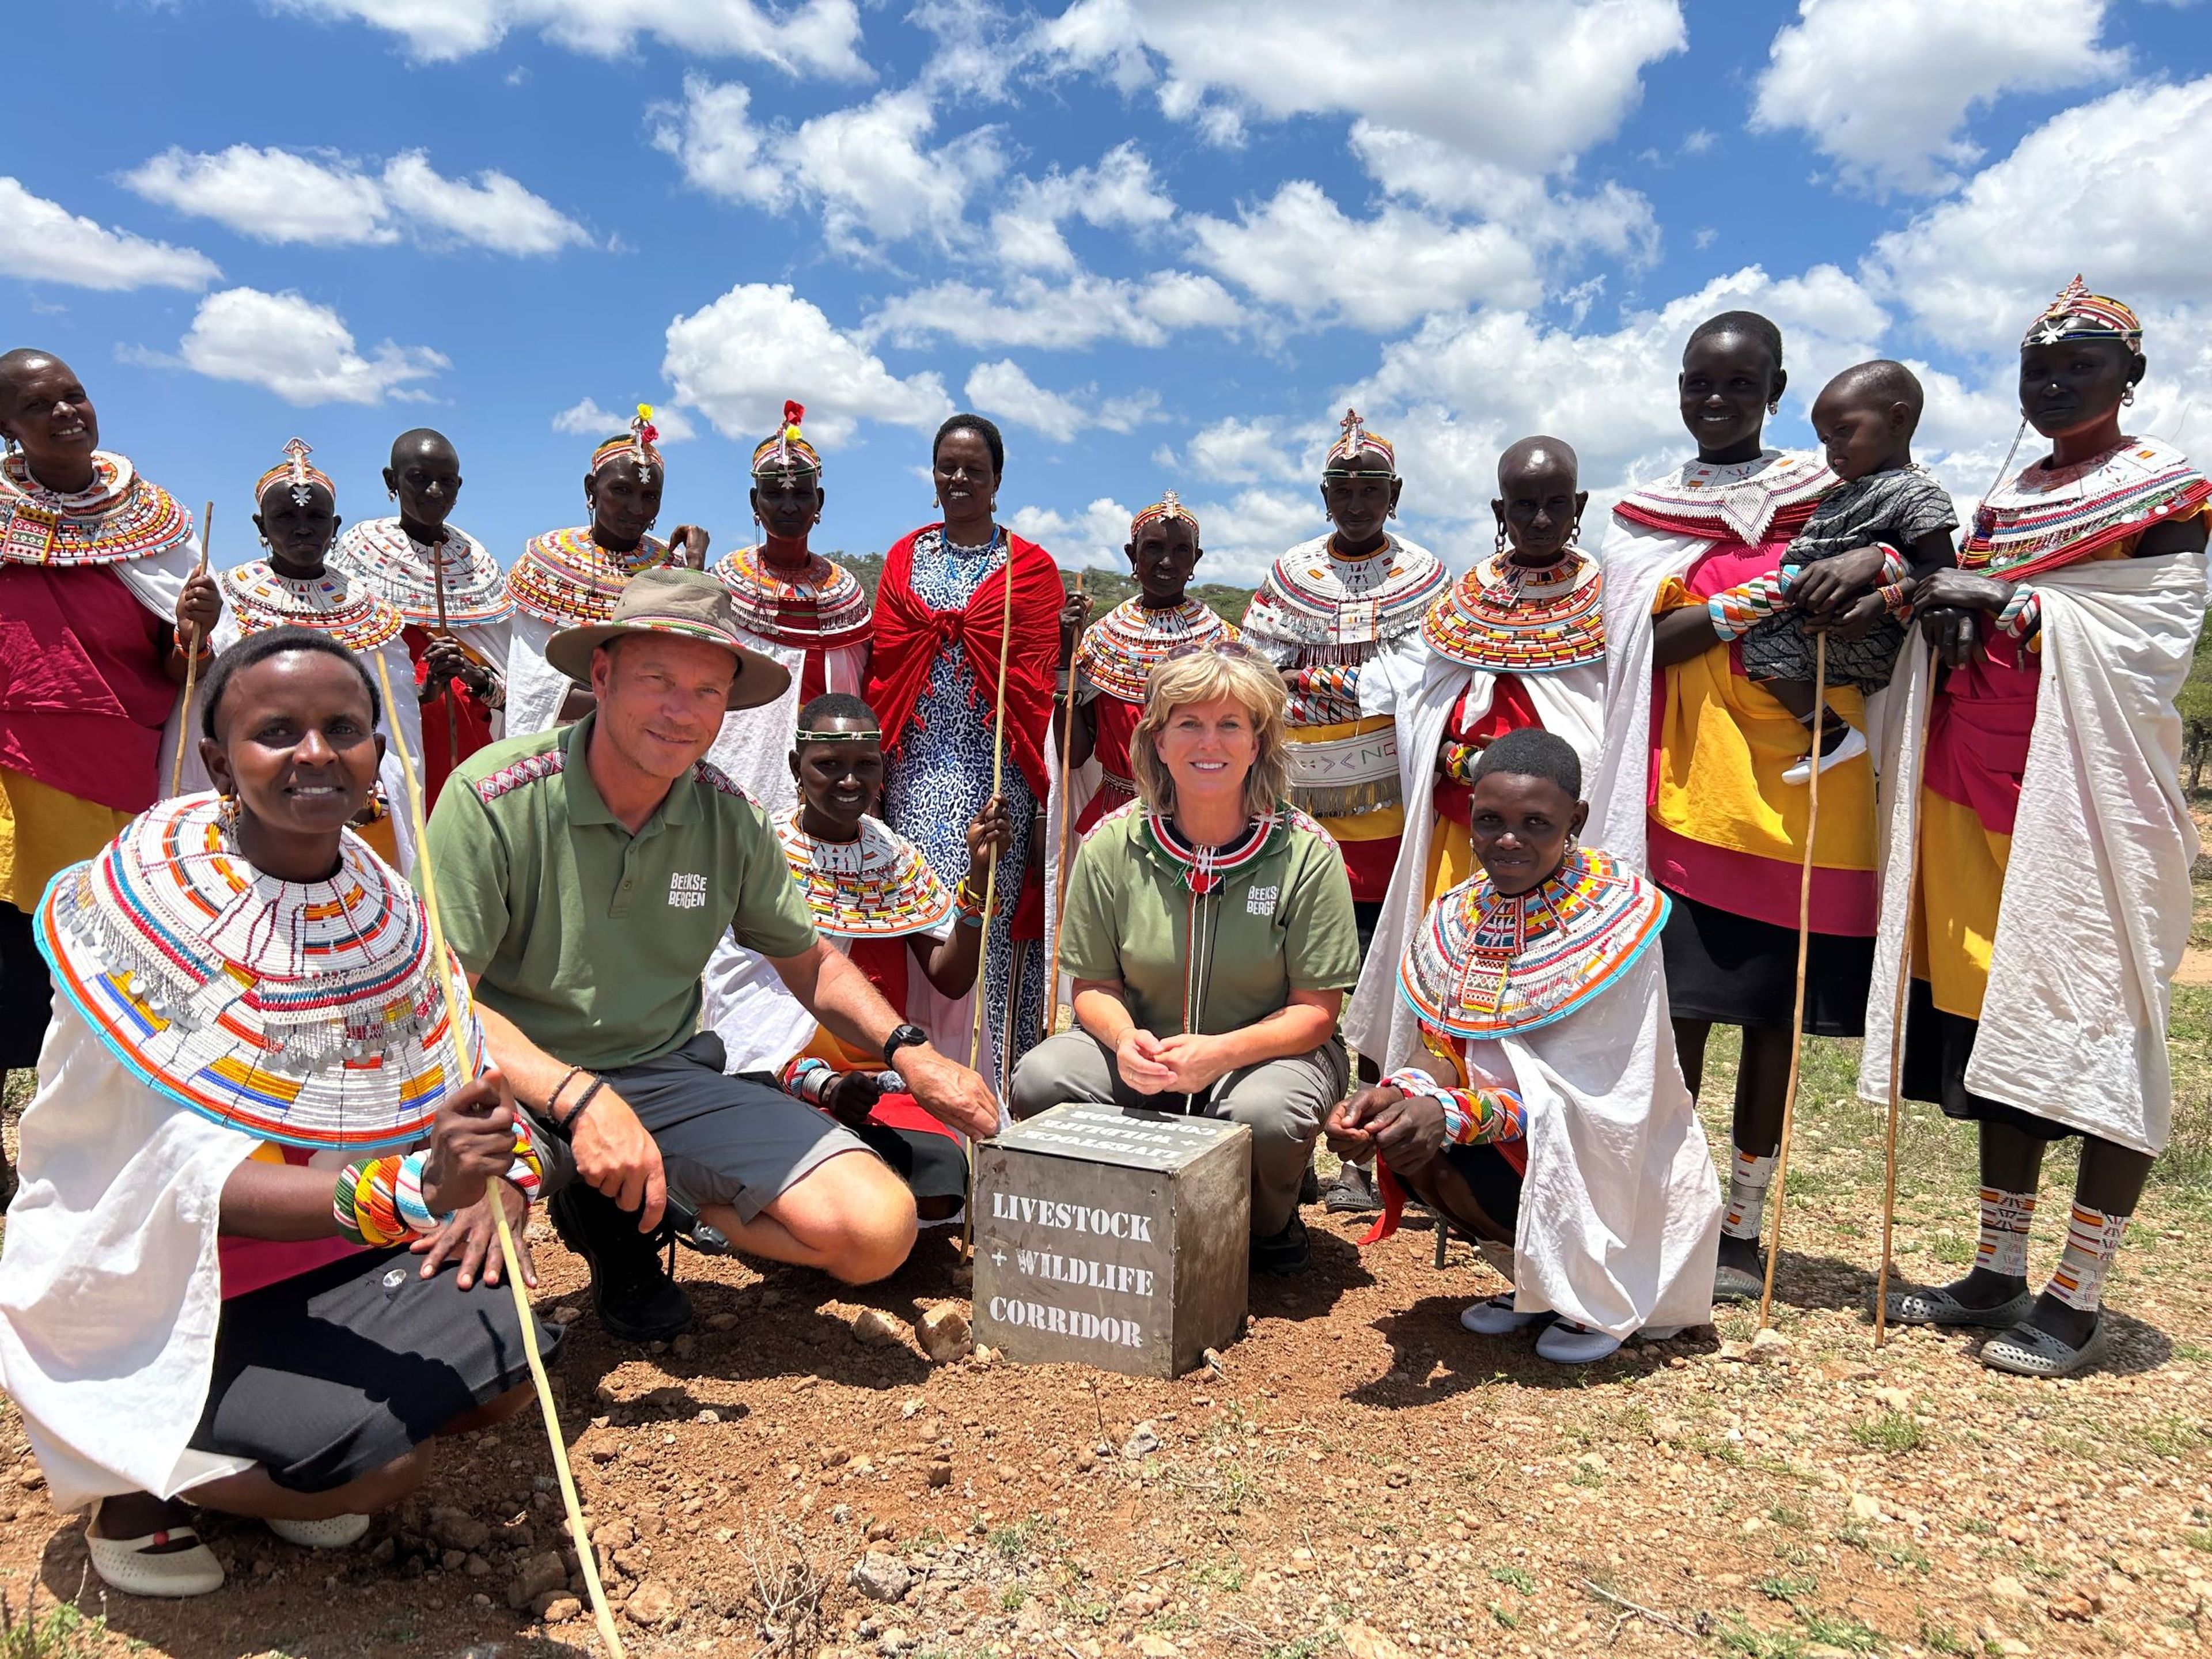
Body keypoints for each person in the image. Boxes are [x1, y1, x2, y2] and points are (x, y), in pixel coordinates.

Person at [0, 628, 554, 1598]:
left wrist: (496, 1183)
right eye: (275, 732)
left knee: (512, 1368)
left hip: (335, 1256)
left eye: (344, 728)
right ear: (219, 759)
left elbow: (447, 1076)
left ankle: (279, 1459)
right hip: (171, 1281)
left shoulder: (381, 907)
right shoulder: (146, 920)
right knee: (386, 1468)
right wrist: (420, 1189)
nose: (314, 753)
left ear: (379, 752)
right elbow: (185, 1187)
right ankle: (142, 1493)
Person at [427, 569, 1000, 1343]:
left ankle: (632, 1209)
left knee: (878, 1232)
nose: (681, 711)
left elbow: (811, 962)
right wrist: (582, 1100)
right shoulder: (496, 797)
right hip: (511, 1080)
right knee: (469, 1327)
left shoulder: (729, 817)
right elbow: (449, 997)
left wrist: (910, 1053)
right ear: (602, 674)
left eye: (706, 691)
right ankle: (584, 1202)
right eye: (657, 680)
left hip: (660, 1078)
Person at [1867, 279, 2210, 1377]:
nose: (2056, 384)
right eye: (2039, 369)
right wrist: (1952, 617)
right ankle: (2000, 1266)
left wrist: (2012, 606)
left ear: (2131, 378)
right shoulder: (2009, 496)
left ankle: (2080, 1289)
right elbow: (1981, 601)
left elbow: (2156, 633)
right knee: (1996, 1032)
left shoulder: (2167, 487)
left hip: (2092, 798)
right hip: (1975, 793)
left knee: (2106, 1027)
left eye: (2081, 367)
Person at [1587, 309, 1883, 1302]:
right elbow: (1633, 649)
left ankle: (1747, 1225)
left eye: (1739, 386)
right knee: (1676, 1019)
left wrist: (1876, 572)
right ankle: (1671, 1203)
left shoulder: (1834, 497)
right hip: (1684, 795)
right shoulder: (1642, 513)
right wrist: (1728, 612)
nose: (1716, 402)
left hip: (1812, 798)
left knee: (1773, 1021)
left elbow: (1902, 585)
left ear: (1777, 389)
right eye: (1698, 385)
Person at [1325, 728, 1719, 1365]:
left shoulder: (1616, 920)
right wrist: (1390, 1100)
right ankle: (1534, 1284)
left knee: (1441, 1137)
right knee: (1407, 1145)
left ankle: (1595, 1294)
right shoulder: (1461, 913)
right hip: (1510, 1135)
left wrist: (1451, 1113)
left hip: (1598, 1154)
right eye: (1490, 821)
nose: (1509, 839)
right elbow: (1444, 1050)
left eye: (1536, 822)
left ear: (1577, 820)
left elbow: (1593, 1105)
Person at [1013, 644, 1359, 1277]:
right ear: (1159, 740)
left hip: (1265, 1058)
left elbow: (1315, 1014)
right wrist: (1124, 1042)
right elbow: (1091, 985)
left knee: (1266, 1115)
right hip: (1141, 1055)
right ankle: (1122, 1214)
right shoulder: (1112, 844)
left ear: (1258, 743)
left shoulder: (1307, 852)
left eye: (1231, 725)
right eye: (1190, 724)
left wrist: (1218, 1055)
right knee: (1043, 1080)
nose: (1211, 742)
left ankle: (1261, 1226)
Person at [0, 348, 219, 1201]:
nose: (66, 413)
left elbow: (181, 676)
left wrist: (194, 630)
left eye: (75, 396)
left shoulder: (155, 520)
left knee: (107, 963)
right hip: (10, 778)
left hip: (122, 779)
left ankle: (113, 1142)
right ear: (7, 428)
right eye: (39, 405)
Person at [1346, 436, 1607, 1084]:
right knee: (1440, 971)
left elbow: (1607, 715)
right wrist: (1458, 757)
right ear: (1500, 510)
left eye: (1554, 505)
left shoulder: (1608, 598)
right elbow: (1420, 695)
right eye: (1524, 506)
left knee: (1543, 981)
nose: (1540, 519)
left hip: (1555, 848)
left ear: (1579, 506)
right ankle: (1417, 1117)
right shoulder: (1465, 598)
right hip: (1460, 833)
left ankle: (1524, 1121)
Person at [1242, 410, 1445, 1215]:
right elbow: (1260, 674)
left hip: (1395, 815)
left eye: (1371, 489)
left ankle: (1367, 1162)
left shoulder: (1427, 577)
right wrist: (1357, 688)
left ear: (1394, 496)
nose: (1355, 502)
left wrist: (1317, 688)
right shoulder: (1290, 574)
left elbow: (1424, 678)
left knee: (1386, 983)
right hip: (1300, 814)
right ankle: (1293, 1142)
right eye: (1342, 488)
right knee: (1301, 979)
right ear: (1324, 495)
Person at [705, 692, 1012, 1222]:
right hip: (783, 1073)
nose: (850, 782)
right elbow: (743, 1011)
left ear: (882, 770)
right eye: (829, 765)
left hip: (885, 1078)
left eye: (865, 765)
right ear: (796, 768)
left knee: (941, 1176)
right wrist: (818, 1082)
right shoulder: (760, 855)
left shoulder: (893, 858)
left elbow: (951, 979)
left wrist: (979, 879)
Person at [867, 414, 1084, 1088]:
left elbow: (1038, 673)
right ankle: (911, 1073)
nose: (958, 479)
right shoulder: (905, 556)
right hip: (912, 770)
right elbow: (885, 663)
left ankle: (989, 1077)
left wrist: (1068, 643)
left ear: (997, 480)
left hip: (995, 774)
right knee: (915, 916)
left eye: (974, 469)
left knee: (983, 922)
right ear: (933, 476)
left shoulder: (1030, 566)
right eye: (947, 467)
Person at [175, 439, 423, 873]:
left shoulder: (372, 608)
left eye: (316, 517)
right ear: (261, 525)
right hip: (255, 789)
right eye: (286, 517)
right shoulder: (224, 595)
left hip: (352, 799)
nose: (303, 528)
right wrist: (197, 633)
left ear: (336, 525)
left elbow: (393, 715)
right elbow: (202, 692)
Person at [1702, 362, 1958, 781]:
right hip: (1823, 619)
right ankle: (1834, 736)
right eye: (1824, 439)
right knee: (1763, 645)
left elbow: (1941, 566)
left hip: (1871, 631)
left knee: (1766, 646)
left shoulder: (1916, 492)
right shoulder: (1844, 491)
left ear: (1897, 419)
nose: (1833, 449)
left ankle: (1832, 736)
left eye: (1844, 431)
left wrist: (1882, 599)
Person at [328, 427, 513, 808]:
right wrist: (420, 691)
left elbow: (507, 683)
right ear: (391, 481)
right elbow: (344, 667)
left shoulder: (477, 564)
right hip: (393, 736)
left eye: (446, 481)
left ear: (459, 487)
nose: (434, 491)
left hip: (471, 740)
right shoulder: (357, 555)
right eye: (419, 478)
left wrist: (473, 676)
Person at [503, 408, 707, 737]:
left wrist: (694, 567)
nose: (637, 509)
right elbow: (536, 690)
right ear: (591, 489)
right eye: (622, 491)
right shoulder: (545, 569)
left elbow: (687, 663)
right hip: (560, 744)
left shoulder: (671, 570)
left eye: (650, 496)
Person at [1065, 493, 1238, 836]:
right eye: (1154, 548)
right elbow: (1073, 754)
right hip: (1116, 816)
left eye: (1180, 551)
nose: (1167, 562)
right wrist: (1063, 654)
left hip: (1199, 812)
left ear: (1196, 560)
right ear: (1133, 555)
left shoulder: (1224, 642)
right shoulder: (1100, 640)